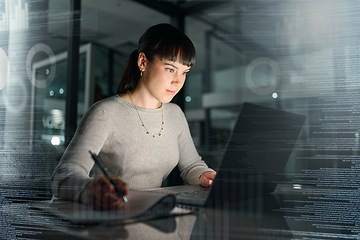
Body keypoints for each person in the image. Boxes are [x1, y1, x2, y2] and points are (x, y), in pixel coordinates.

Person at [51, 23, 216, 210]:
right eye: (170, 69)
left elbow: (191, 166)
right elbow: (64, 176)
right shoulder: (106, 112)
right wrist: (91, 189)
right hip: (110, 221)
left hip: (154, 217)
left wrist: (206, 175)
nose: (178, 81)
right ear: (143, 62)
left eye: (184, 72)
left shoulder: (175, 114)